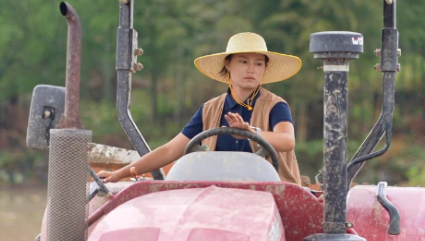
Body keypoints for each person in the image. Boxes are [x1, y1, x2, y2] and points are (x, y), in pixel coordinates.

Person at [98, 32, 303, 184]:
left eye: (259, 64)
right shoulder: (210, 109)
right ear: (228, 65)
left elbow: (287, 141)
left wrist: (251, 133)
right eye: (243, 61)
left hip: (271, 196)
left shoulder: (275, 105)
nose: (252, 69)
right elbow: (170, 150)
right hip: (218, 192)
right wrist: (120, 174)